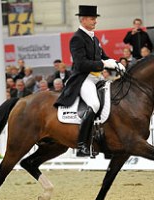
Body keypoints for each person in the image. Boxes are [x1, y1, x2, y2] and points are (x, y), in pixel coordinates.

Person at [54, 5, 125, 157]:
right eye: (92, 19)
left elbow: (103, 57)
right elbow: (80, 64)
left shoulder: (94, 38)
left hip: (97, 78)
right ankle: (82, 145)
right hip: (83, 79)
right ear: (84, 19)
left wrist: (116, 63)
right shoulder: (77, 38)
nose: (95, 22)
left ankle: (105, 141)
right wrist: (104, 64)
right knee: (94, 104)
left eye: (95, 19)